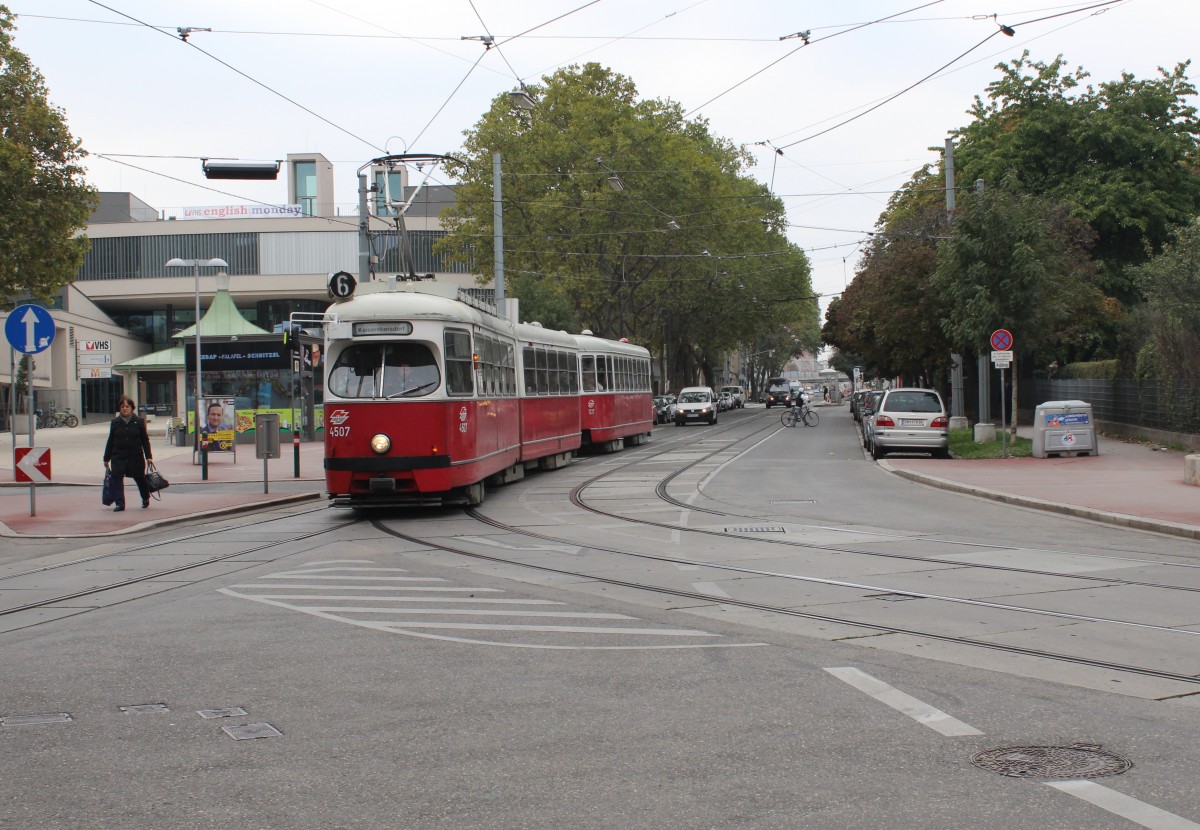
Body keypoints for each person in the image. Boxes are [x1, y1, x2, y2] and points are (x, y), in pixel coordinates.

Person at [103, 395, 153, 512]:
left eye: (127, 406)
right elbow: (110, 440)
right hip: (118, 456)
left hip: (135, 456)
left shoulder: (139, 421)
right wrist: (106, 458)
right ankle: (120, 504)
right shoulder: (115, 422)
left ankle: (145, 497)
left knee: (140, 479)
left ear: (132, 408)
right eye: (122, 406)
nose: (124, 408)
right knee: (117, 479)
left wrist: (149, 457)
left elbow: (145, 440)